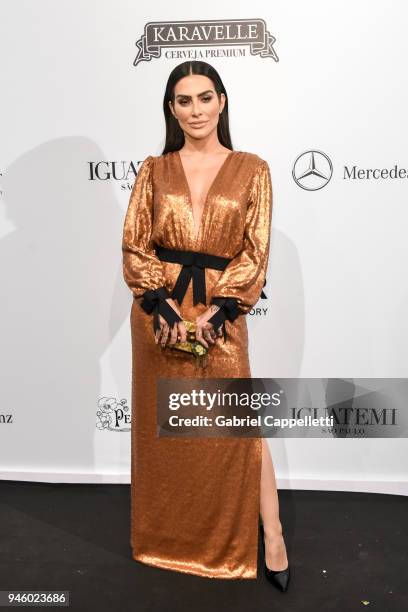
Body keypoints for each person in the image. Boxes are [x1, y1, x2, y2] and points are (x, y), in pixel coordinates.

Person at [122, 60, 290, 591]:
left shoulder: (253, 168)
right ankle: (170, 539)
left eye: (204, 97)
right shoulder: (153, 168)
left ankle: (274, 535)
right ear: (171, 109)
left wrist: (222, 310)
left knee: (237, 424)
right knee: (165, 434)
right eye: (183, 100)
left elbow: (254, 251)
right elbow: (135, 244)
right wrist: (161, 306)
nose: (195, 110)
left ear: (222, 101)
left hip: (223, 312)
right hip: (160, 316)